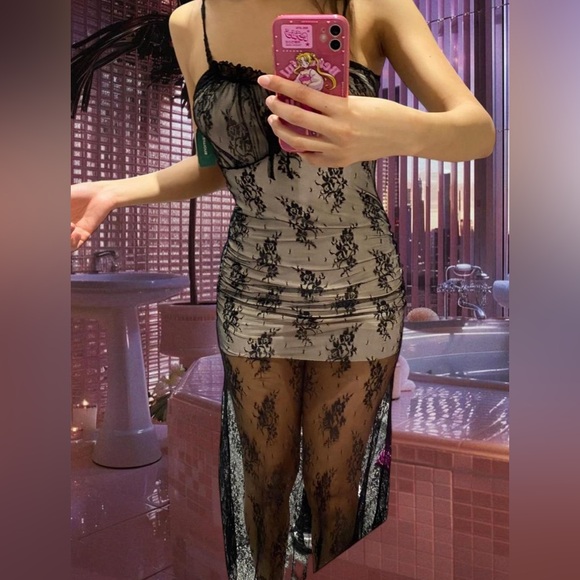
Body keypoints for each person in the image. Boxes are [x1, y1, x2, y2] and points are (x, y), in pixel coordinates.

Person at [71, 0, 495, 578]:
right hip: (254, 285)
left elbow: (476, 131)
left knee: (338, 485)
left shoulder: (369, 5)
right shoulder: (189, 23)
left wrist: (389, 128)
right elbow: (216, 165)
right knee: (260, 481)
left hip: (359, 287)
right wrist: (117, 190)